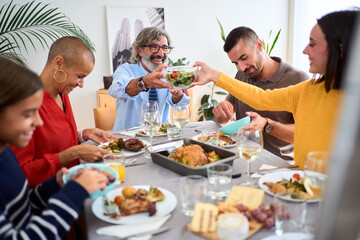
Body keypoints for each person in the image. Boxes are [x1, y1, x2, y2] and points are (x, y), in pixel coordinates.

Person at [192, 10, 359, 169]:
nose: (304, 50)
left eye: (312, 44)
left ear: (341, 48)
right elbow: (262, 98)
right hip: (296, 183)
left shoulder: (349, 101)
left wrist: (267, 125)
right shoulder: (308, 90)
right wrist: (215, 76)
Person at [0, 56, 108, 239]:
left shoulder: (5, 154)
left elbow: (22, 206)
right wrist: (75, 192)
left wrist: (53, 186)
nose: (39, 121)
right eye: (28, 114)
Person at [11, 36, 117, 187]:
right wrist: (75, 152)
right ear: (59, 63)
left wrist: (82, 135)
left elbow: (53, 142)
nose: (81, 84)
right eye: (79, 76)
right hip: (46, 199)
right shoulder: (25, 105)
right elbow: (22, 173)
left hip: (73, 187)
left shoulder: (62, 93)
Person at [213, 27, 308, 160]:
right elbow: (226, 113)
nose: (241, 67)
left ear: (259, 45)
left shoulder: (298, 79)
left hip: (277, 164)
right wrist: (221, 112)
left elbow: (304, 134)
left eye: (244, 58)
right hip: (242, 155)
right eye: (236, 63)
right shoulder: (242, 74)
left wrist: (267, 125)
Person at [108, 27, 191, 130]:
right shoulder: (125, 70)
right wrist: (144, 82)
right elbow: (116, 90)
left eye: (165, 47)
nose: (160, 53)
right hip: (127, 138)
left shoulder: (168, 74)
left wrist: (177, 96)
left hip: (160, 138)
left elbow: (180, 106)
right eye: (154, 47)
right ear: (140, 50)